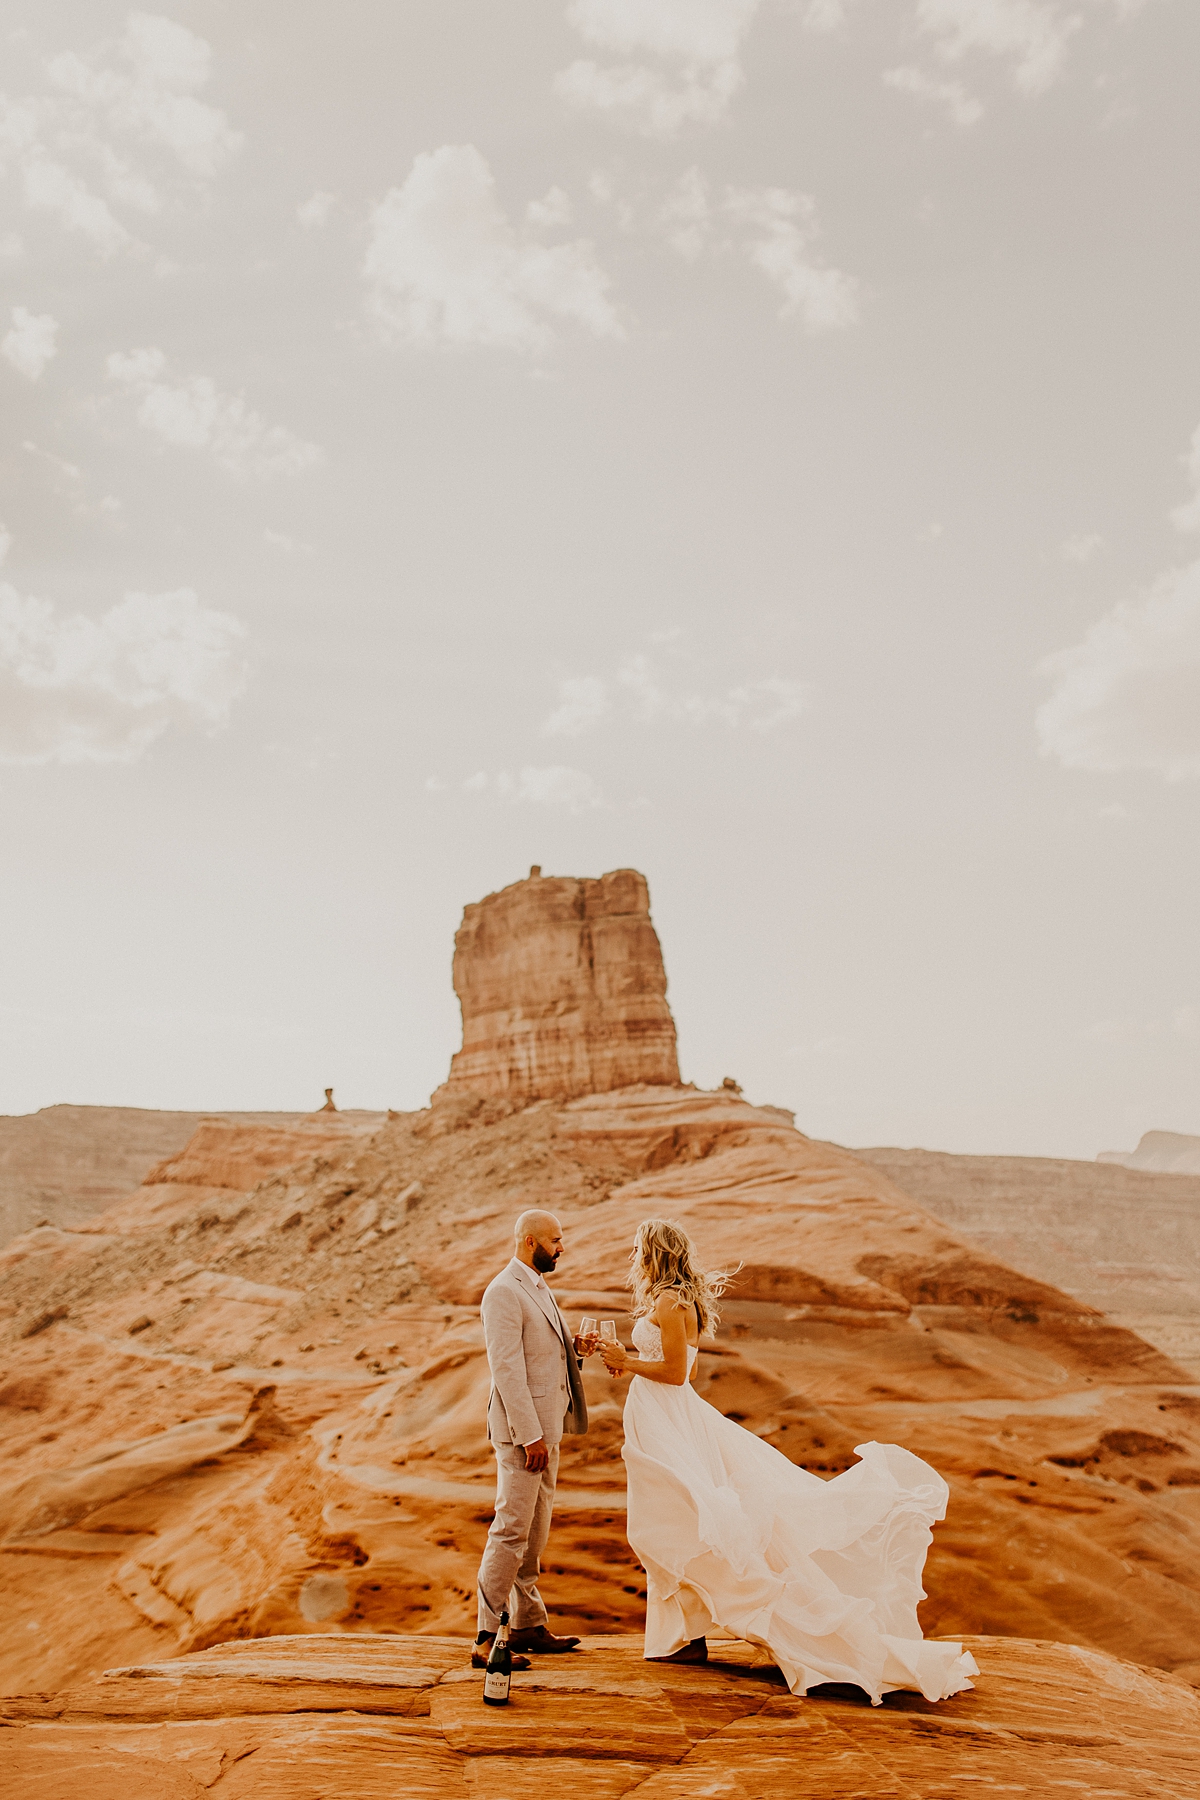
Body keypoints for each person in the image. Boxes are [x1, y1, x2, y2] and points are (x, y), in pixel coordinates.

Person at [599, 1217, 979, 1705]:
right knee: (673, 1522)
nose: (632, 1257)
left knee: (668, 1524)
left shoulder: (672, 1302)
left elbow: (676, 1373)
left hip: (672, 1420)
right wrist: (622, 1359)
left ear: (655, 1251)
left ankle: (698, 1635)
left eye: (637, 1248)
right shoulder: (667, 1300)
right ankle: (678, 1640)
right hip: (660, 1420)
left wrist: (625, 1359)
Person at [474, 1208, 593, 1669]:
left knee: (535, 1532)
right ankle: (485, 1637)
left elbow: (541, 1360)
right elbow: (507, 1369)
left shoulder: (537, 1286)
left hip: (548, 1429)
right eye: (556, 1241)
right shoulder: (503, 1292)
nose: (562, 1248)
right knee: (510, 1531)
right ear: (530, 1242)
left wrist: (573, 1354)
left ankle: (526, 1625)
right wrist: (529, 1436)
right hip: (525, 1436)